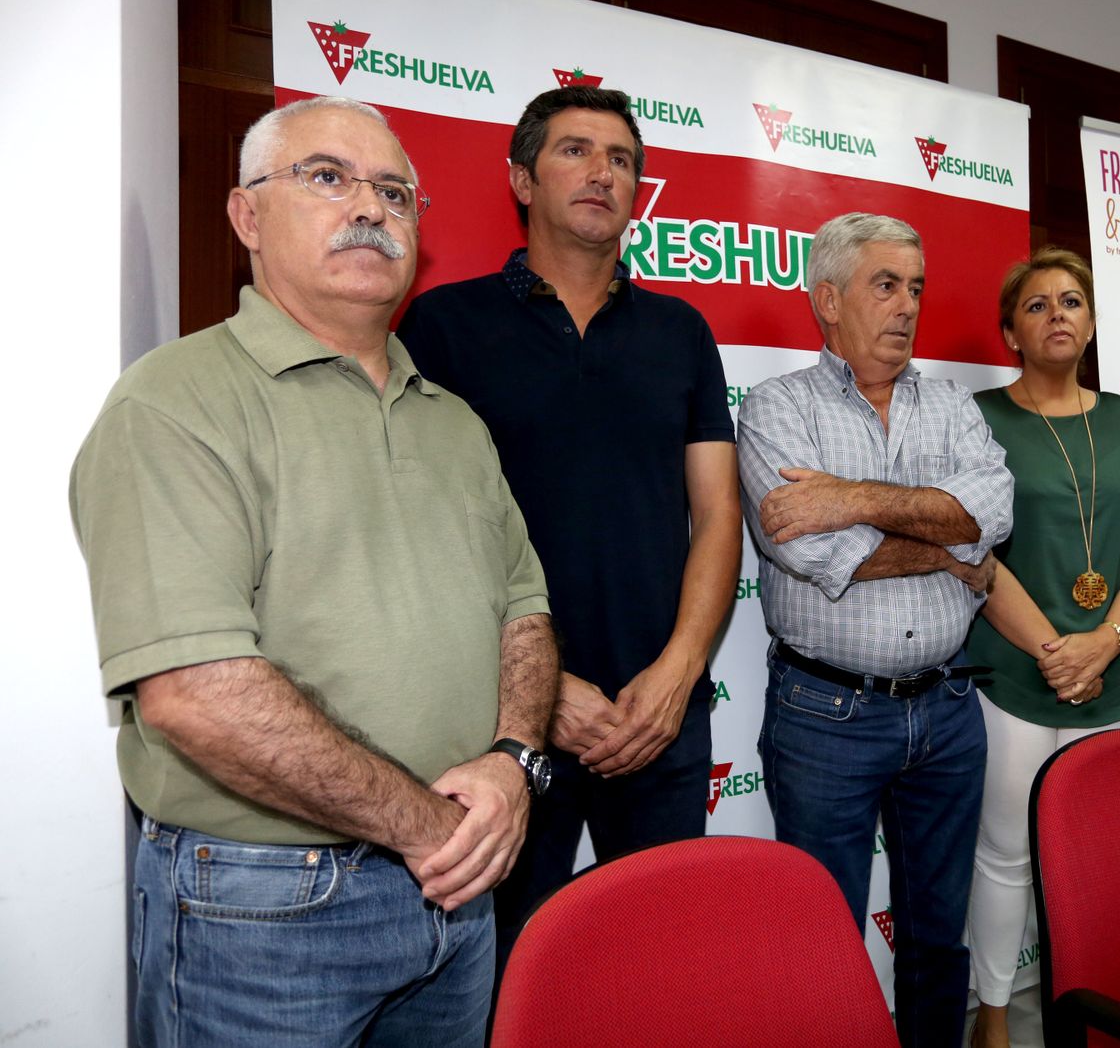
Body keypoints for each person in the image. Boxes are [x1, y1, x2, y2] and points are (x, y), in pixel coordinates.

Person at [69, 96, 560, 1047]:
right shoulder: (173, 405)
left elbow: (525, 614)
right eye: (328, 178)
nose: (369, 207)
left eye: (394, 191)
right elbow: (194, 695)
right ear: (247, 217)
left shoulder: (454, 421)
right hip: (264, 911)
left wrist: (514, 765)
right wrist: (429, 826)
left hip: (459, 895)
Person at [398, 86, 741, 975]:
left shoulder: (681, 332)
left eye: (622, 159)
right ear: (521, 177)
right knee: (504, 971)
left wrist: (676, 676)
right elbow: (422, 529)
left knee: (666, 966)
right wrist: (545, 694)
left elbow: (718, 516)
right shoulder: (443, 325)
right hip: (503, 720)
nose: (603, 173)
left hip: (657, 718)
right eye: (576, 152)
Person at [737, 212, 1013, 1048]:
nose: (906, 305)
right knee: (820, 939)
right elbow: (817, 551)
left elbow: (991, 514)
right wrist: (946, 545)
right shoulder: (775, 407)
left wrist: (852, 496)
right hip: (828, 717)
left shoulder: (954, 405)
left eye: (916, 288)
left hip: (949, 707)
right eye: (884, 285)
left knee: (939, 937)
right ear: (828, 299)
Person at [964, 247, 1120, 1048]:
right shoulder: (978, 417)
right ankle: (993, 1019)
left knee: (1101, 854)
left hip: (1117, 673)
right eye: (1037, 305)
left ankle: (1095, 1005)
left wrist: (1109, 642)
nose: (1058, 314)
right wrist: (1063, 651)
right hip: (1018, 671)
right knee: (1008, 851)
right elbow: (973, 550)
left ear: (1091, 321)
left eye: (1072, 301)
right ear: (1011, 333)